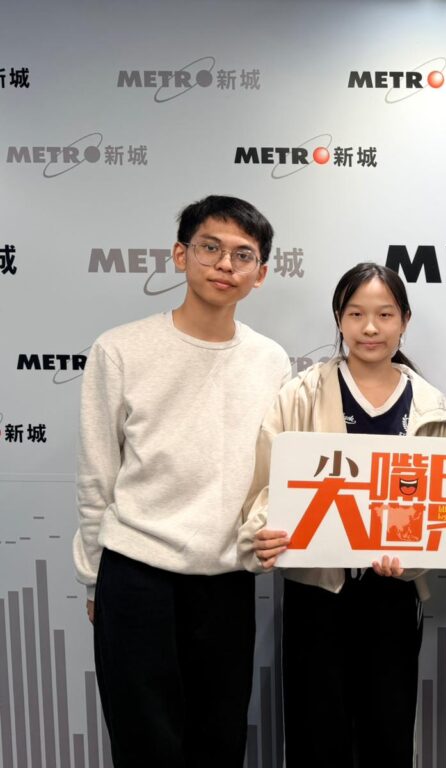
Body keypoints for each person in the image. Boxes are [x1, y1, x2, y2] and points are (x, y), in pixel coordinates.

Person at [72, 195, 291, 767]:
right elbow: (97, 477)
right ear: (180, 255)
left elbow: (275, 471)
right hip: (135, 576)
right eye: (210, 248)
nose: (225, 264)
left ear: (261, 274)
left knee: (219, 744)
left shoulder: (271, 361)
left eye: (242, 255)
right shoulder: (119, 349)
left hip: (226, 582)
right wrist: (95, 581)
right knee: (144, 747)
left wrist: (267, 531)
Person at [238, 262, 446, 767]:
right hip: (317, 592)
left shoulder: (430, 405)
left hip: (393, 594)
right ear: (339, 319)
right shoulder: (302, 393)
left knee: (388, 733)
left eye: (385, 314)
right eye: (356, 314)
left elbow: (438, 512)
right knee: (316, 735)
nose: (370, 328)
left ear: (404, 320)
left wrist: (413, 559)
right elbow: (265, 487)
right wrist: (262, 533)